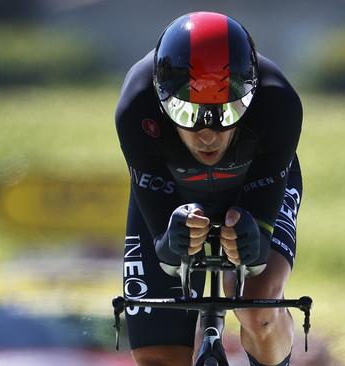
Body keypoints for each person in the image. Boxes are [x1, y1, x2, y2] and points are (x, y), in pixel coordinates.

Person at [115, 12, 303, 366]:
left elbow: (260, 253)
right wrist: (170, 240)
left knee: (257, 308)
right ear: (162, 99)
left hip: (253, 186)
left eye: (226, 113)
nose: (207, 135)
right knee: (158, 357)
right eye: (188, 115)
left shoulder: (279, 103)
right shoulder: (136, 105)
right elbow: (165, 253)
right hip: (170, 191)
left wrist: (255, 237)